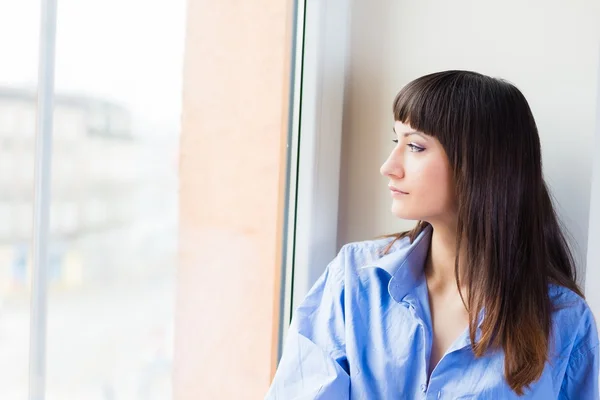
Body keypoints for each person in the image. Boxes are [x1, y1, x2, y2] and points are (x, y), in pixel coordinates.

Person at [265, 70, 599, 399]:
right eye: (397, 141)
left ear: (479, 164)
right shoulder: (354, 277)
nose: (389, 166)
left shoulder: (565, 320)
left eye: (415, 146)